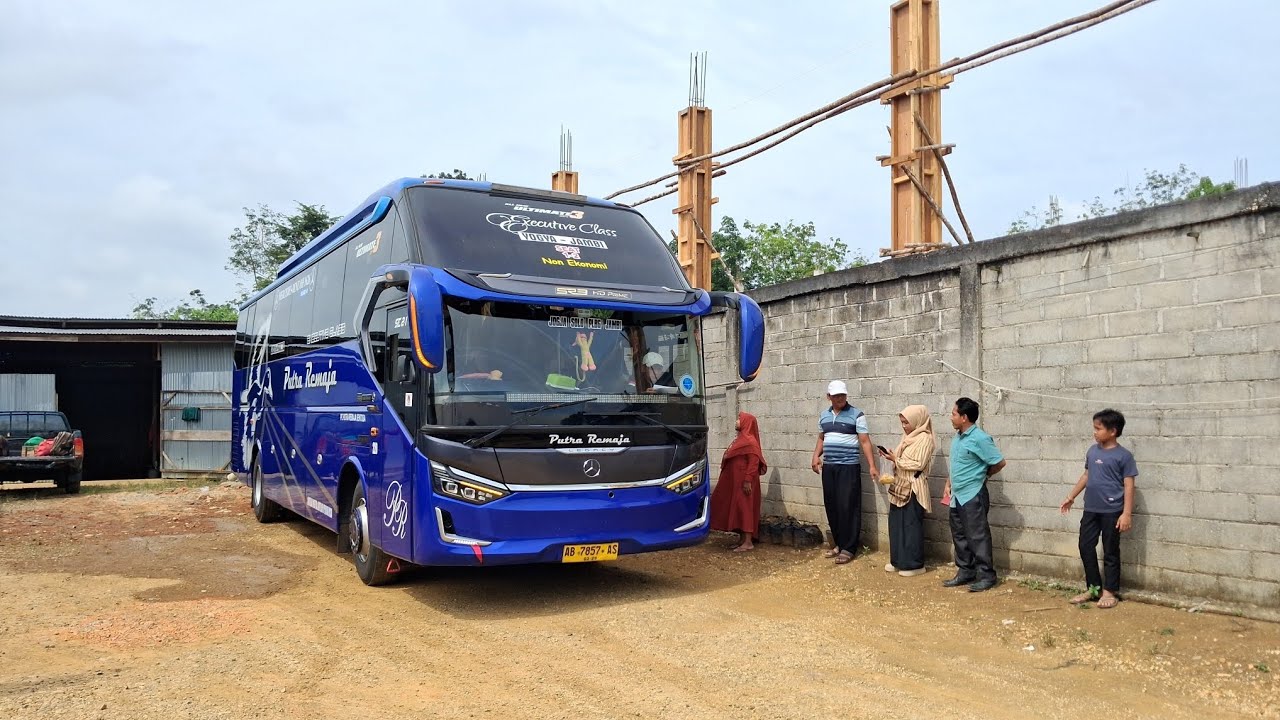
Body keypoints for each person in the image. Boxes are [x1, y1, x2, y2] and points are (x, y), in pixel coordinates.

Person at [1059, 408, 1137, 609]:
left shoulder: (1124, 456)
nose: (1094, 432)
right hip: (1091, 509)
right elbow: (1086, 475)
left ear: (1112, 431)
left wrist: (1126, 513)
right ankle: (1093, 588)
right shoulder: (1092, 451)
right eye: (1094, 428)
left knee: (1110, 550)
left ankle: (1110, 591)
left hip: (1112, 511)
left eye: (1098, 428)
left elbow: (1129, 485)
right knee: (1085, 546)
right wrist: (1071, 496)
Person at [811, 380, 879, 565]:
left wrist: (872, 465)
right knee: (832, 505)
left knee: (848, 506)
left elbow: (865, 441)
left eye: (843, 395)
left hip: (848, 467)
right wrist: (816, 456)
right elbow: (821, 438)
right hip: (829, 467)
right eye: (836, 395)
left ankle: (849, 548)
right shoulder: (824, 416)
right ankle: (839, 544)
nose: (840, 398)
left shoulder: (857, 414)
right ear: (829, 397)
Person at [942, 397, 1006, 592]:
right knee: (959, 535)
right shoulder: (957, 438)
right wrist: (948, 483)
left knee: (977, 536)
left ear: (964, 417)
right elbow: (956, 464)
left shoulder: (980, 438)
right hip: (957, 495)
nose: (950, 417)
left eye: (954, 414)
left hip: (973, 494)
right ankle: (965, 571)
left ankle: (987, 575)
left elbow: (999, 462)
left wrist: (982, 476)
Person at [878, 405, 935, 577]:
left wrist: (897, 459)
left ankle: (914, 564)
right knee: (896, 524)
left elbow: (918, 463)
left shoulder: (926, 439)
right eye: (902, 423)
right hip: (900, 487)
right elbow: (901, 459)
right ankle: (898, 561)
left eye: (907, 423)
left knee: (910, 526)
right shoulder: (907, 437)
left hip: (914, 488)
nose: (904, 426)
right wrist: (891, 457)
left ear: (917, 421)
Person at [710, 412, 767, 552]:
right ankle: (742, 539)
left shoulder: (750, 441)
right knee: (739, 509)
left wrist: (747, 480)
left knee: (746, 509)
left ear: (746, 422)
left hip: (745, 483)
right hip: (736, 483)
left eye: (739, 419)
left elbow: (754, 462)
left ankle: (748, 542)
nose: (736, 421)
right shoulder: (740, 439)